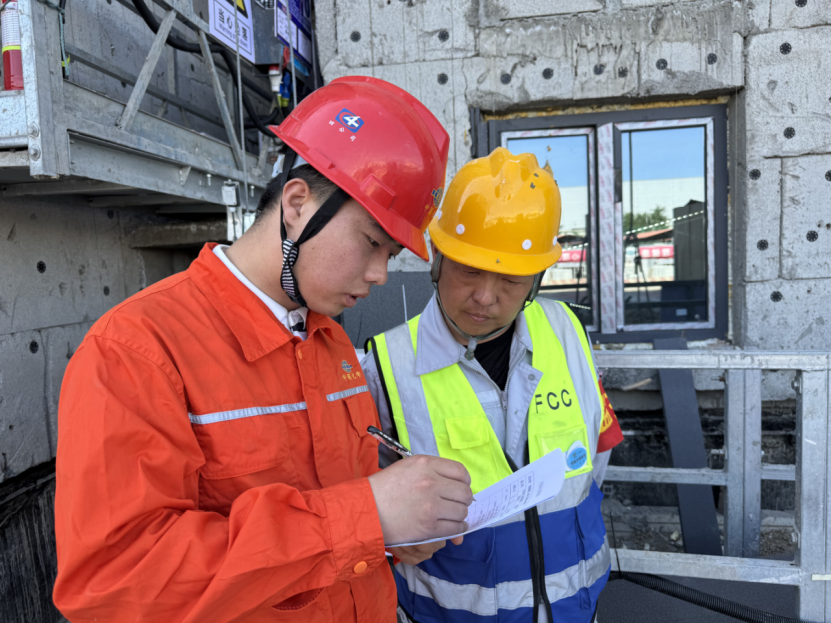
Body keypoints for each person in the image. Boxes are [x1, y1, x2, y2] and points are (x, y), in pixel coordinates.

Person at [52, 76, 475, 623]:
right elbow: (117, 582)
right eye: (372, 242)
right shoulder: (137, 351)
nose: (380, 275)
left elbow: (336, 521)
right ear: (297, 204)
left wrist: (391, 535)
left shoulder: (328, 338)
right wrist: (368, 514)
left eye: (391, 254)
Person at [363, 147, 624, 623]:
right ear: (437, 257)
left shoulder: (567, 331)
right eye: (469, 270)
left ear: (538, 279)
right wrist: (391, 538)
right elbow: (363, 512)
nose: (485, 297)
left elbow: (596, 454)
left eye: (510, 279)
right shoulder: (385, 366)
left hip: (577, 608)